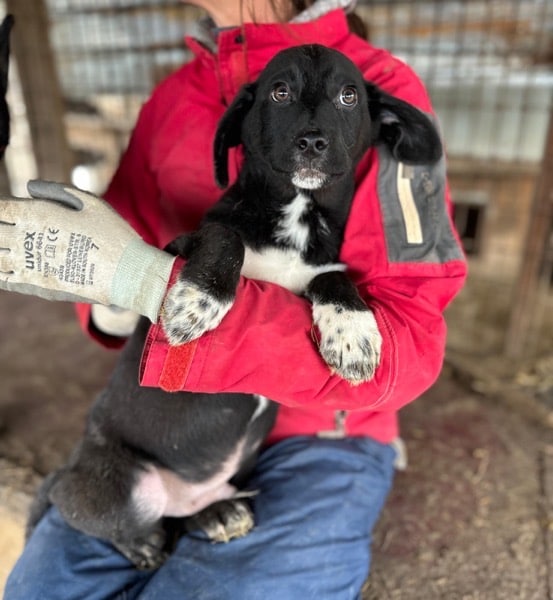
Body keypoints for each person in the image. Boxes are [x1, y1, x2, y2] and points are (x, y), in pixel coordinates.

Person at [3, 1, 467, 598]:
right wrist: (95, 282)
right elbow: (120, 263)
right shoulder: (173, 99)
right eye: (281, 97)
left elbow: (411, 337)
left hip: (319, 434)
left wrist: (154, 284)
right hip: (166, 426)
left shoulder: (383, 87)